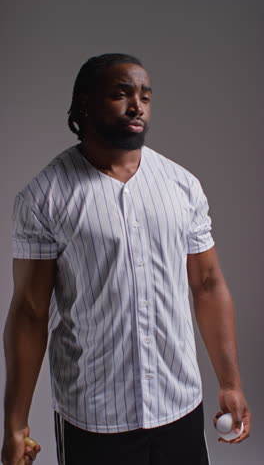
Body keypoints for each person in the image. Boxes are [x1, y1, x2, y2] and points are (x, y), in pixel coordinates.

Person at [1, 53, 251, 465]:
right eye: (121, 94)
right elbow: (29, 311)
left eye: (145, 97)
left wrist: (231, 382)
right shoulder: (44, 196)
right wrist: (15, 423)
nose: (137, 106)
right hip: (95, 416)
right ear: (85, 103)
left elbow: (207, 285)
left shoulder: (181, 185)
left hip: (178, 404)